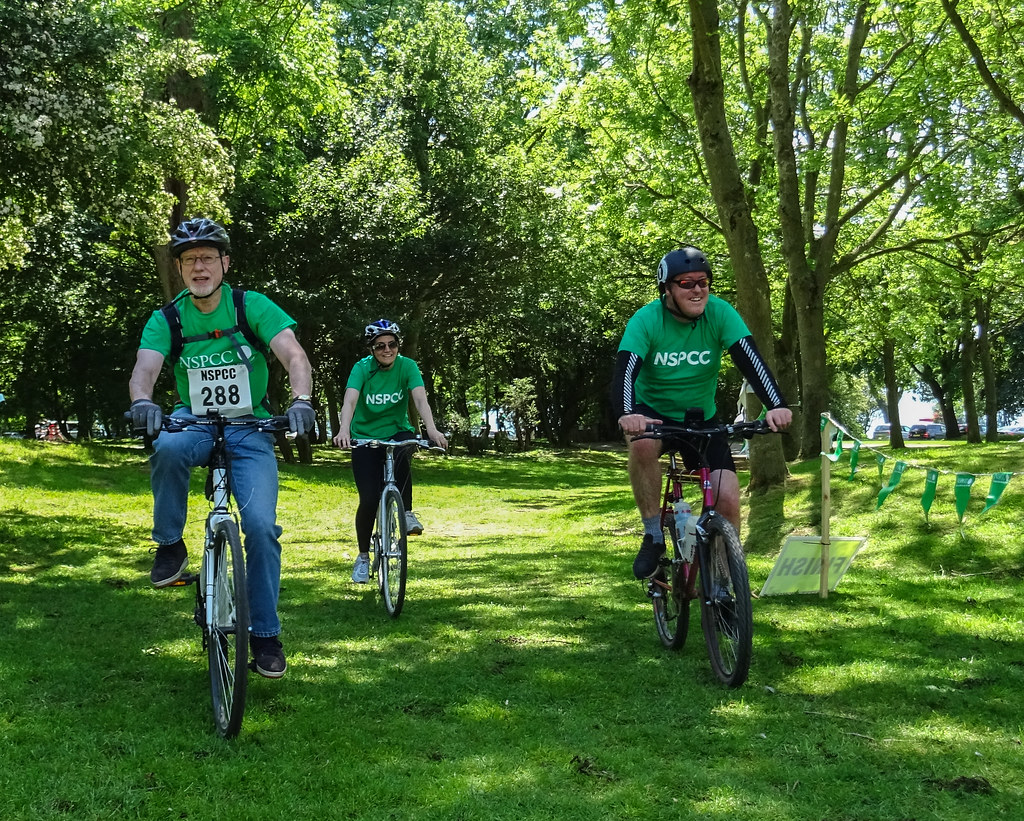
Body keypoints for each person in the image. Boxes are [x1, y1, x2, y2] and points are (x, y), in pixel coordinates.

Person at [127, 217, 314, 678]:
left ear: (224, 263)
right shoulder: (167, 318)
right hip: (192, 422)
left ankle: (266, 634)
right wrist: (143, 403)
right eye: (189, 259)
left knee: (261, 528)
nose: (199, 266)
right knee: (167, 448)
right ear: (180, 269)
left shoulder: (251, 305)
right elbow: (144, 369)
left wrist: (302, 401)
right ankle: (170, 546)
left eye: (207, 257)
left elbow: (293, 353)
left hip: (249, 427)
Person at [612, 245, 792, 579]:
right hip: (653, 414)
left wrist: (776, 404)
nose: (697, 290)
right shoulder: (647, 320)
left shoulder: (720, 314)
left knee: (727, 499)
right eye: (686, 283)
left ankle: (725, 582)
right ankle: (653, 535)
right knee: (641, 445)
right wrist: (627, 413)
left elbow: (750, 361)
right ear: (667, 288)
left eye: (703, 282)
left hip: (701, 418)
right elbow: (625, 371)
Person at [332, 320, 447, 584]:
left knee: (405, 447)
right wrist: (344, 430)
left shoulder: (408, 366)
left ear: (398, 345)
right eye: (380, 346)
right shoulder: (361, 369)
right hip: (364, 436)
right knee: (370, 499)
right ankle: (362, 557)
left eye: (392, 344)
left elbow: (420, 398)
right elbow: (350, 400)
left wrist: (432, 430)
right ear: (372, 349)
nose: (387, 350)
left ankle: (406, 513)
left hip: (396, 429)